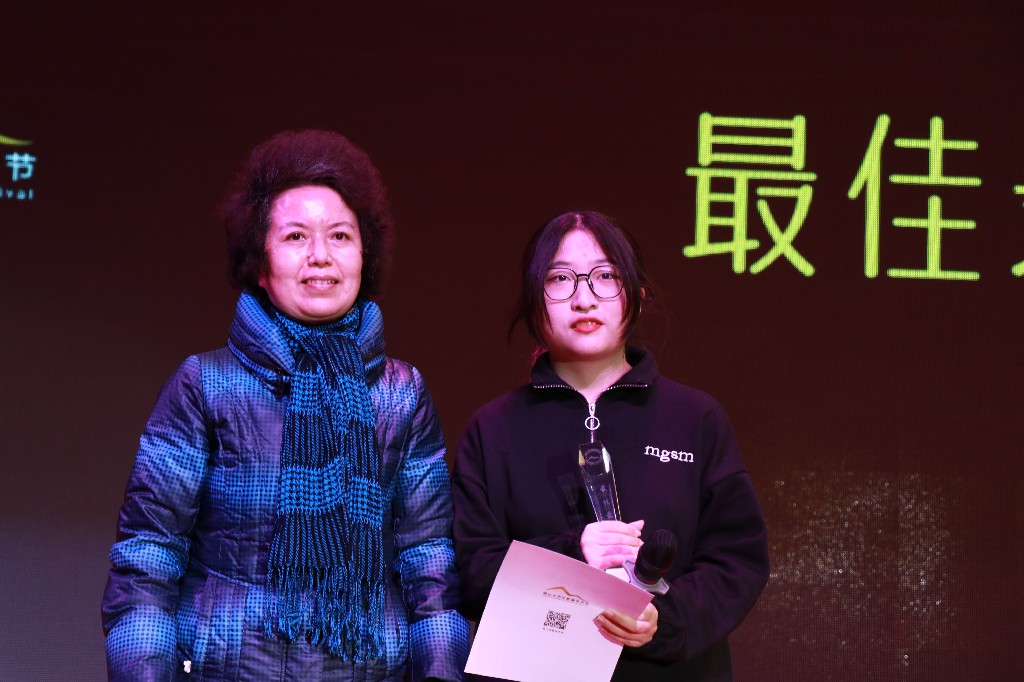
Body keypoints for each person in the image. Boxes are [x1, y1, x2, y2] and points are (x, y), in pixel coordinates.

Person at [102, 130, 469, 681]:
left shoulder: (402, 392)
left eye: (340, 236)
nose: (321, 256)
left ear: (364, 256)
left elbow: (430, 566)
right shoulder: (205, 384)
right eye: (296, 236)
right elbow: (148, 559)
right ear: (260, 261)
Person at [452, 210, 769, 681]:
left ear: (636, 296)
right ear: (533, 300)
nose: (583, 298)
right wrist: (570, 554)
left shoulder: (695, 418)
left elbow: (737, 559)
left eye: (605, 276)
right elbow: (471, 571)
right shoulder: (493, 428)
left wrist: (663, 620)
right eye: (560, 279)